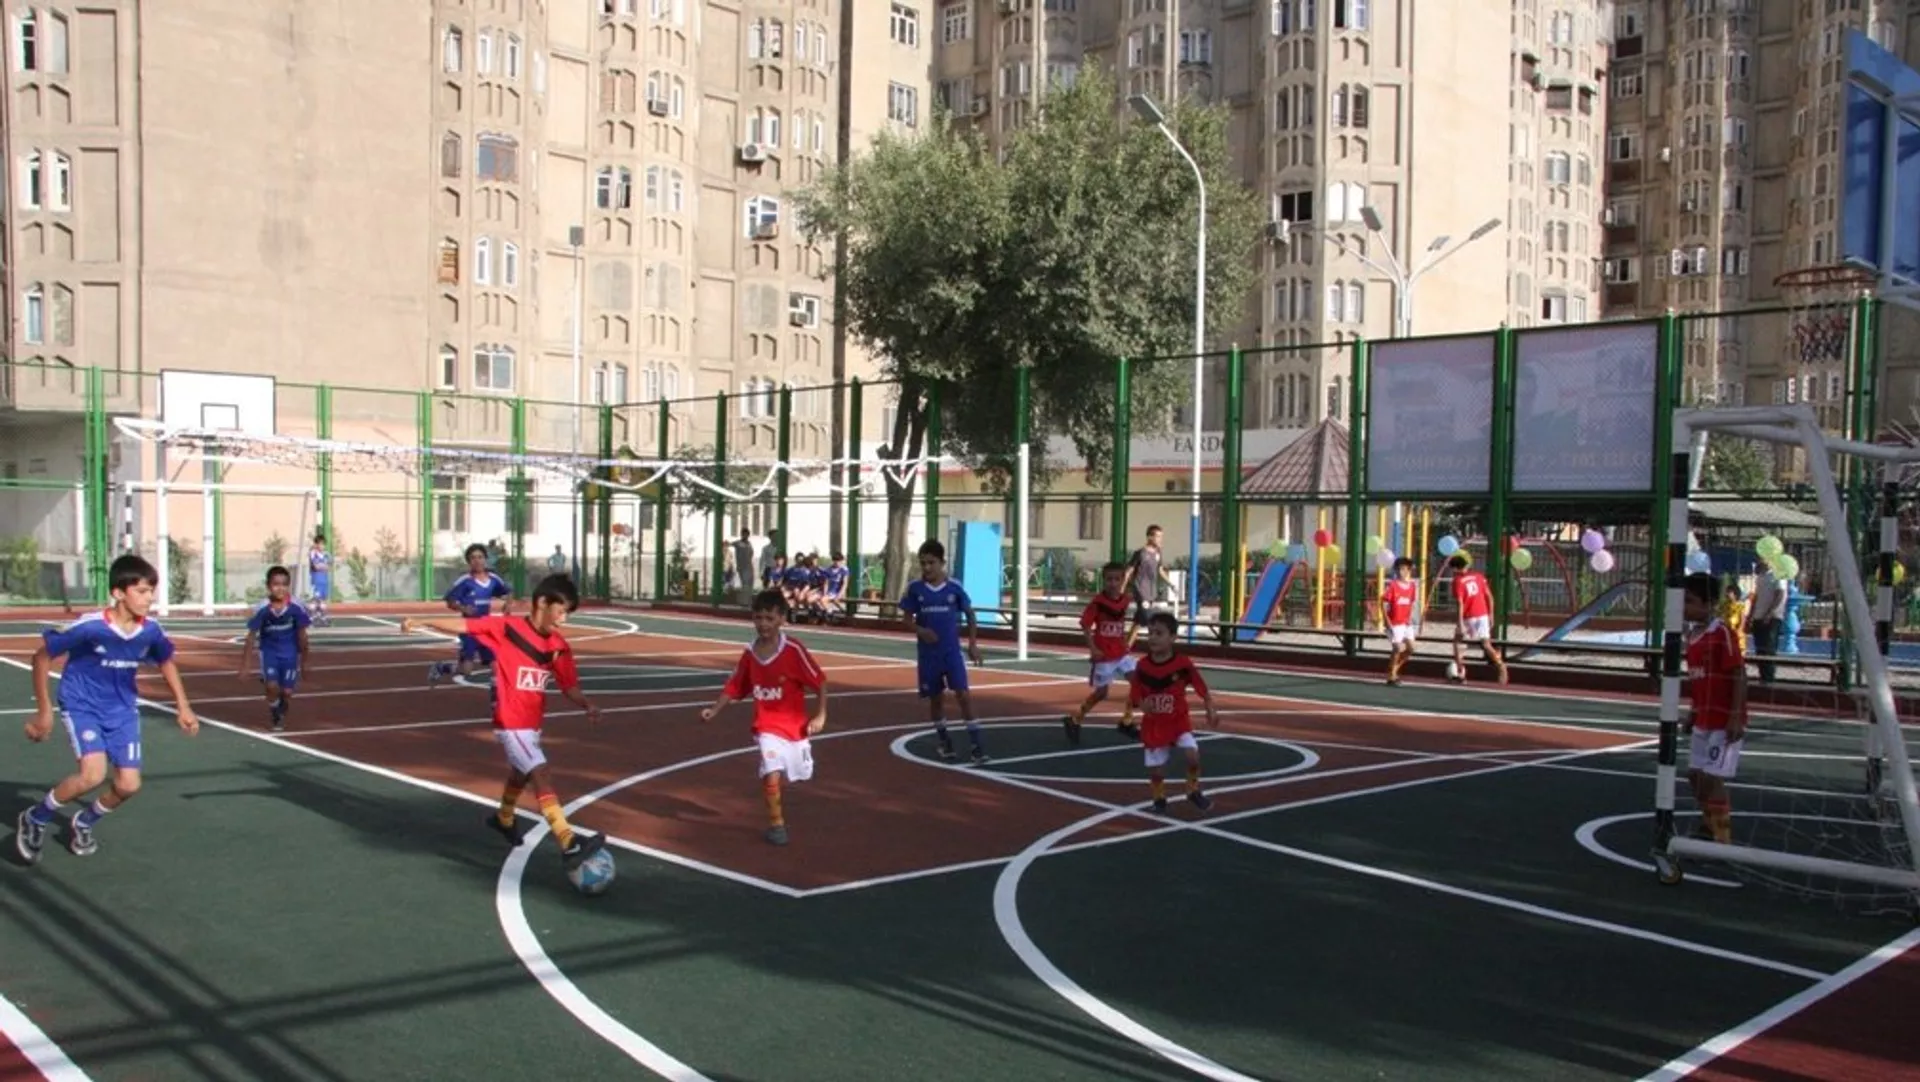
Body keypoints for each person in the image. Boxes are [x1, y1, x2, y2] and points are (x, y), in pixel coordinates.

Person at [402, 574, 607, 869]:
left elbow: (568, 685)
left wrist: (586, 704)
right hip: (510, 723)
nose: (564, 620)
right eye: (561, 611)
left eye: (567, 614)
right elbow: (466, 626)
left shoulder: (559, 646)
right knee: (540, 771)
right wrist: (422, 622)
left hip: (532, 724)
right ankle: (568, 841)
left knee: (521, 773)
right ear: (542, 603)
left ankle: (504, 817)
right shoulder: (507, 629)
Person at [16, 554, 200, 863]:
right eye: (141, 591)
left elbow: (166, 661)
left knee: (129, 785)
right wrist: (45, 712)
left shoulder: (151, 630)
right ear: (118, 593)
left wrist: (184, 707)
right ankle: (36, 817)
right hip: (82, 705)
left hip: (122, 710)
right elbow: (42, 657)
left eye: (151, 591)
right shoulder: (90, 627)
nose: (149, 598)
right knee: (92, 775)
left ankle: (84, 822)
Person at [700, 590, 828, 846]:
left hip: (794, 727)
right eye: (758, 618)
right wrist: (714, 709)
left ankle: (778, 808)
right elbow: (734, 685)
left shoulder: (793, 650)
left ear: (782, 619)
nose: (763, 624)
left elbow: (819, 681)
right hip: (766, 726)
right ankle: (777, 824)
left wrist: (821, 714)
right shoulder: (750, 654)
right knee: (771, 771)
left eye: (769, 618)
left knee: (798, 772)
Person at [899, 539, 987, 764]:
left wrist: (973, 644)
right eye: (923, 563)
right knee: (936, 699)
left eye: (931, 563)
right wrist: (921, 630)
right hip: (928, 656)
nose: (927, 567)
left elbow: (970, 615)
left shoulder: (954, 587)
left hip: (951, 653)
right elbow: (906, 619)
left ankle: (976, 744)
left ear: (942, 563)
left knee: (964, 696)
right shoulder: (915, 589)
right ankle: (944, 740)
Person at [1127, 612, 1219, 814]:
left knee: (1193, 755)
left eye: (1159, 633)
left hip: (1178, 722)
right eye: (1150, 633)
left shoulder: (1183, 664)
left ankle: (1193, 790)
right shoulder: (1142, 666)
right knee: (1156, 770)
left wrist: (1209, 707)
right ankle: (1159, 798)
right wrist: (1141, 704)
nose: (1153, 637)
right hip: (1154, 725)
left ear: (1173, 637)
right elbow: (1135, 692)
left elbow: (1200, 685)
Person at [1683, 572, 1747, 843]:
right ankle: (1709, 824)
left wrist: (1735, 716)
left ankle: (1721, 836)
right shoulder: (1692, 637)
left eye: (1690, 601)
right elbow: (1698, 680)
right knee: (1695, 776)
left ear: (1709, 604)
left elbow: (1739, 673)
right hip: (1704, 717)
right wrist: (1693, 712)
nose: (1685, 607)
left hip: (1723, 719)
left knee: (1712, 778)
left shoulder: (1722, 633)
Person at [1062, 562, 1142, 745]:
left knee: (1138, 680)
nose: (1113, 583)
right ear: (1103, 581)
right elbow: (1085, 625)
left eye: (1117, 579)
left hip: (1120, 653)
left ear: (1122, 581)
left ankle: (1127, 720)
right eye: (1109, 579)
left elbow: (1126, 621)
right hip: (1104, 655)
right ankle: (1075, 719)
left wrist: (1136, 626)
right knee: (1101, 693)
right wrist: (1093, 649)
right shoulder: (1098, 603)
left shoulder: (1125, 600)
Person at [238, 565, 312, 732]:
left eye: (284, 584)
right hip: (269, 653)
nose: (280, 588)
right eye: (276, 584)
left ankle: (281, 701)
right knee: (272, 687)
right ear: (268, 586)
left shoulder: (296, 607)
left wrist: (305, 662)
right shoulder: (263, 609)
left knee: (287, 692)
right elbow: (251, 636)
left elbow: (303, 636)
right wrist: (245, 665)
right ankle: (275, 711)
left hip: (290, 654)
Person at [429, 543, 512, 685]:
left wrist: (508, 604)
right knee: (466, 670)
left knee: (496, 666)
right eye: (473, 558)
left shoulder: (493, 579)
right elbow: (450, 601)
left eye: (480, 557)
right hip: (468, 628)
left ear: (485, 559)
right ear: (469, 562)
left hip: (486, 627)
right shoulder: (465, 581)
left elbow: (508, 591)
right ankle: (442, 667)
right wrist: (463, 608)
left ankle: (495, 696)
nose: (477, 560)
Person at [1447, 554, 1508, 684]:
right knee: (1486, 644)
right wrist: (1491, 615)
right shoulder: (1479, 576)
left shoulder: (1457, 581)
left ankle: (1461, 672)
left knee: (1457, 643)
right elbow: (1489, 596)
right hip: (1483, 615)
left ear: (1455, 568)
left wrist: (1460, 623)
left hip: (1469, 617)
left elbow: (1460, 604)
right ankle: (1501, 666)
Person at [1124, 525, 1173, 635]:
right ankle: (1156, 642)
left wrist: (1171, 584)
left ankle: (1126, 644)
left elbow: (1160, 570)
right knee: (1149, 619)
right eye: (1158, 536)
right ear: (1150, 537)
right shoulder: (1140, 553)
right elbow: (1128, 572)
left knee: (1137, 623)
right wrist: (1122, 590)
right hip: (1141, 591)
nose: (1160, 539)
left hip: (1151, 593)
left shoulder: (1158, 553)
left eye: (1161, 537)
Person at [1381, 557, 1421, 686]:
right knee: (1397, 648)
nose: (1400, 572)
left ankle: (1393, 669)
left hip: (1406, 623)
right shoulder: (1392, 586)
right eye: (1398, 569)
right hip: (1394, 623)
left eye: (1403, 569)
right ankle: (1392, 676)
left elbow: (1411, 604)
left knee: (1411, 648)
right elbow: (1383, 603)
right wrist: (1386, 621)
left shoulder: (1412, 586)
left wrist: (1410, 618)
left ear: (1408, 570)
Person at [1746, 560, 1786, 683]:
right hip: (1758, 617)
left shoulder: (1777, 575)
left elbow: (1780, 594)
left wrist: (1769, 613)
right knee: (1760, 649)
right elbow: (1756, 598)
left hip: (1771, 618)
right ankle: (1763, 677)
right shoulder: (1760, 577)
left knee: (1769, 649)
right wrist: (1750, 616)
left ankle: (1769, 678)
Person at [307, 531, 333, 626]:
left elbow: (329, 567)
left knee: (322, 599)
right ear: (316, 544)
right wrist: (323, 566)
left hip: (324, 580)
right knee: (315, 599)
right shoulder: (313, 553)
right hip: (316, 580)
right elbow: (316, 566)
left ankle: (322, 616)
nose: (322, 546)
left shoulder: (326, 554)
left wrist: (323, 566)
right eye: (320, 544)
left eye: (323, 544)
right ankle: (310, 617)